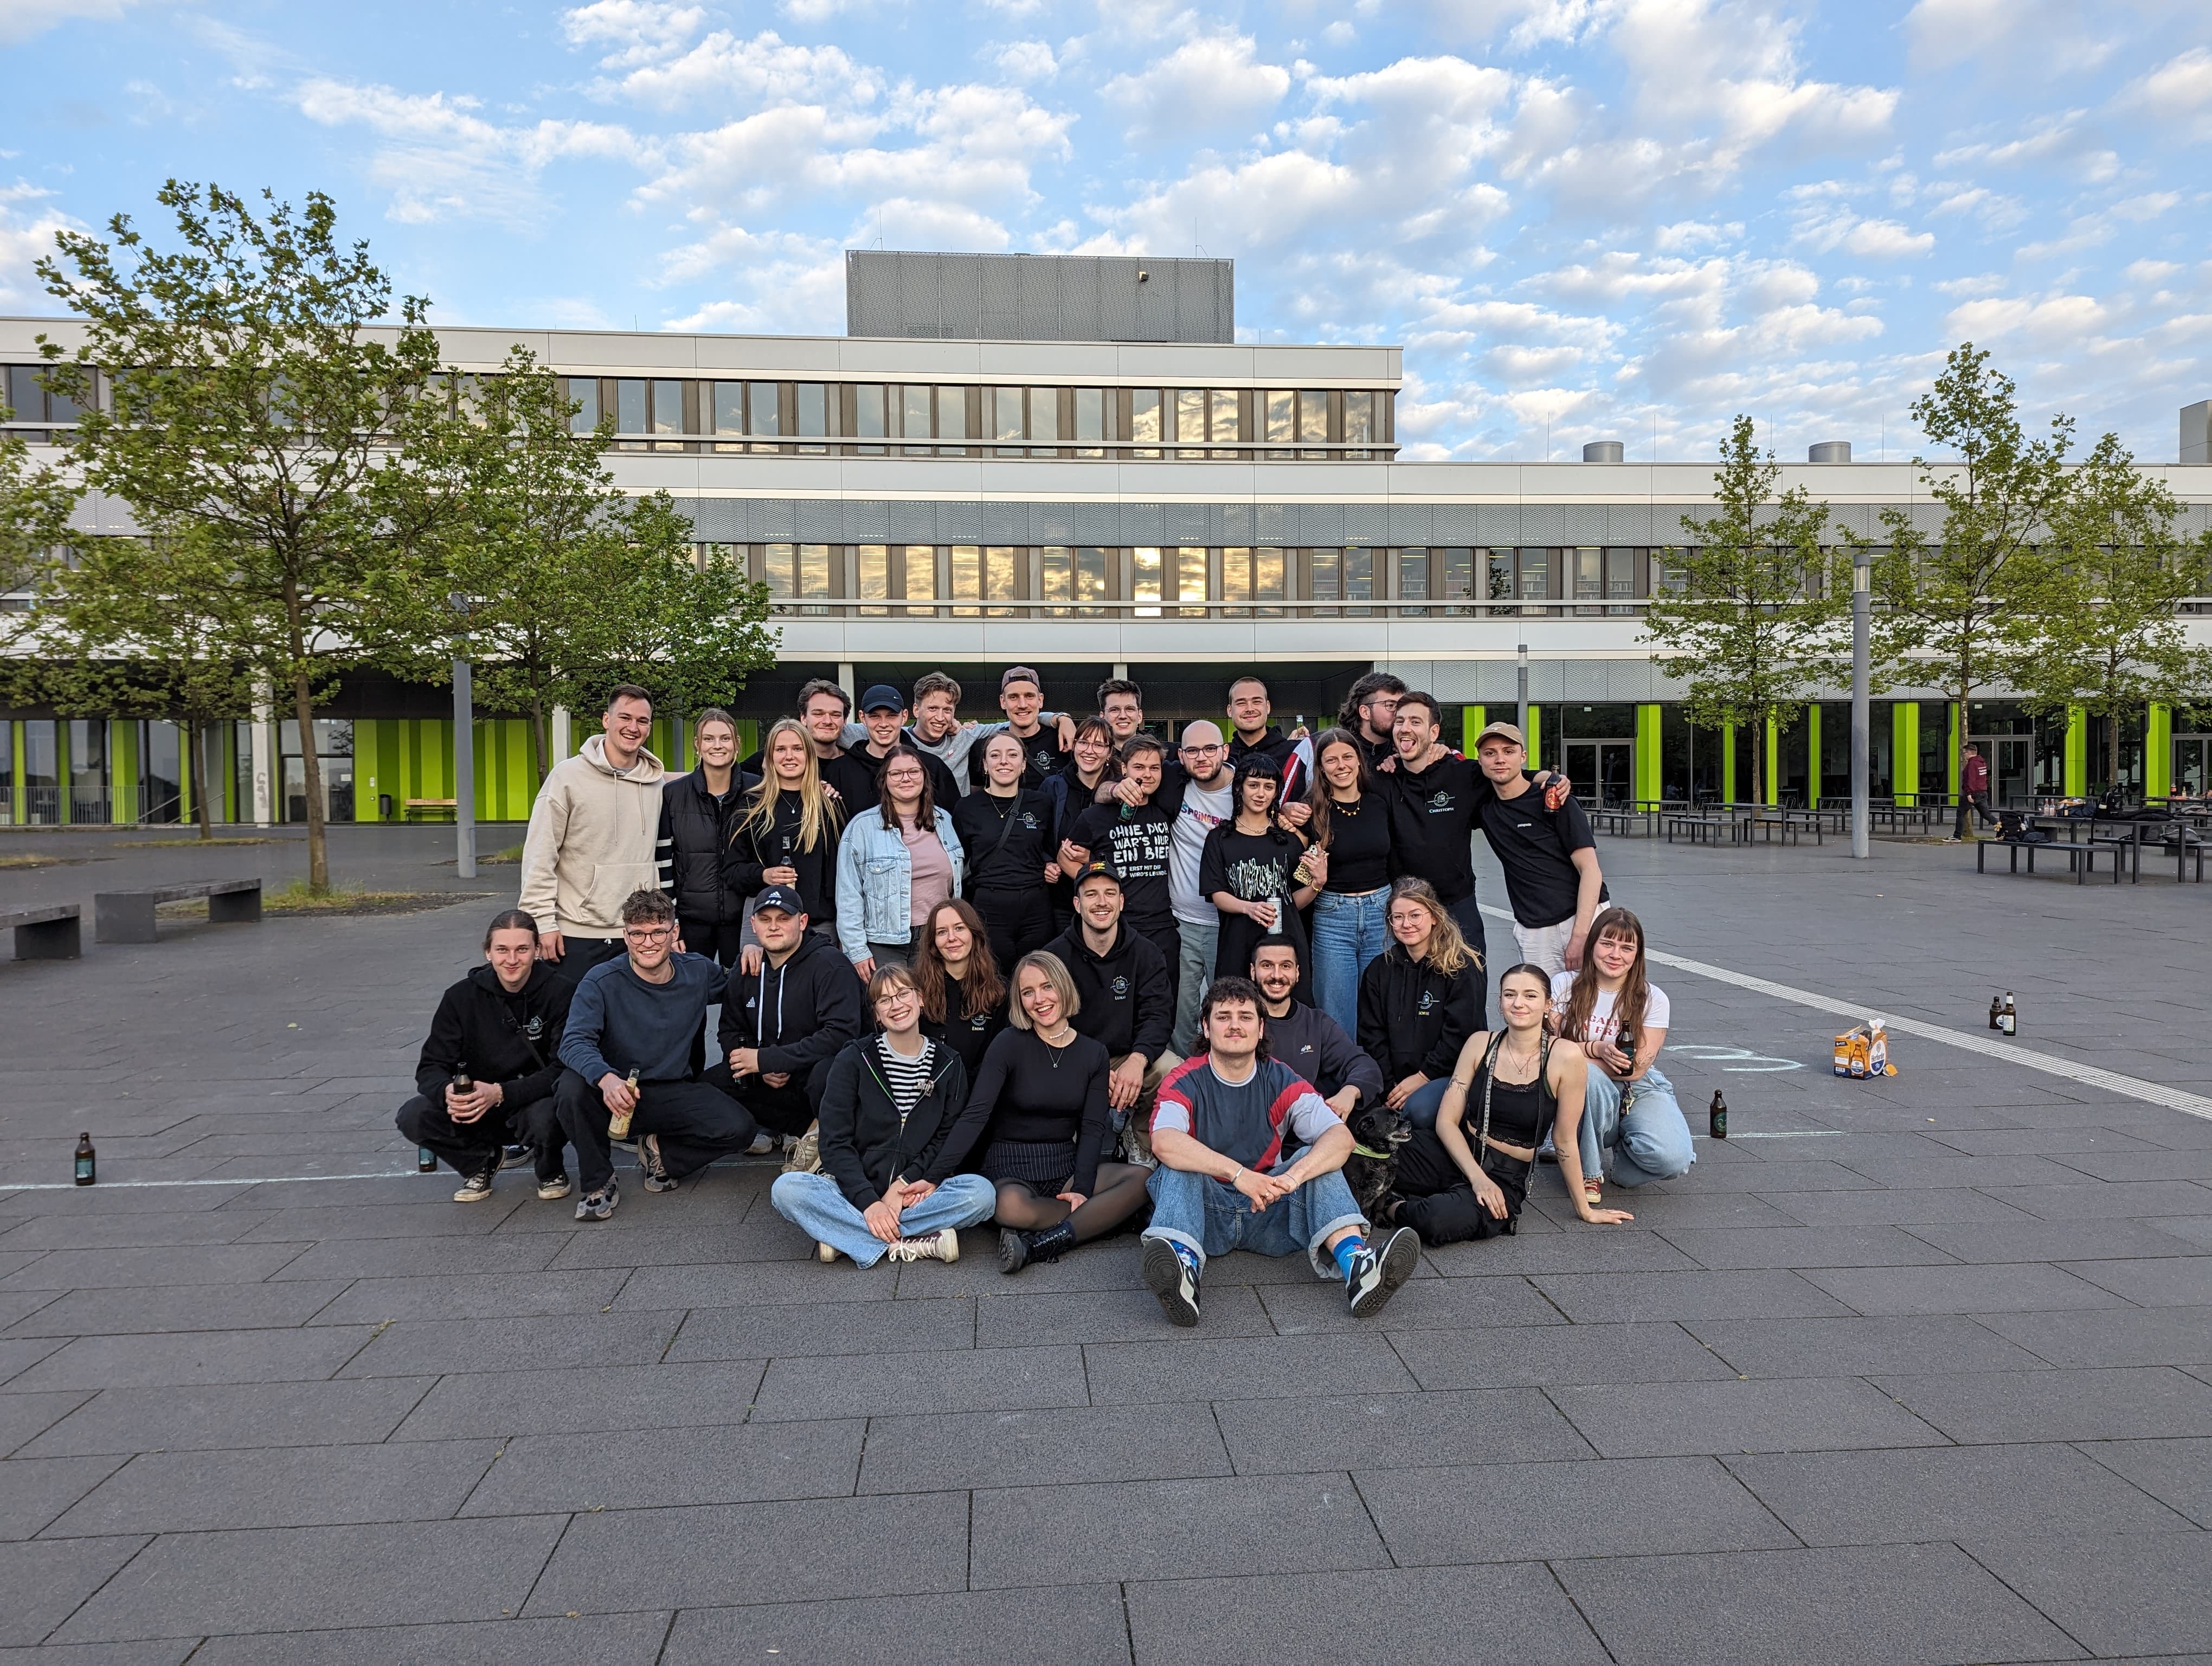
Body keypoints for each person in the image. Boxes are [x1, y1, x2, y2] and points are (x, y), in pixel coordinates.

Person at [1140, 978, 1419, 1327]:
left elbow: (1340, 1138)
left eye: (1245, 1016)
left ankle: (1359, 1268)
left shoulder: (1281, 1079)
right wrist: (1239, 1175)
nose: (1234, 1025)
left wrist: (1291, 1178)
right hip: (1203, 1215)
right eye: (1223, 1016)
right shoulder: (1183, 1079)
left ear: (1261, 1029)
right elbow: (1164, 1140)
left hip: (1269, 1212)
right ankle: (1181, 1271)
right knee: (1177, 1164)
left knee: (1317, 1160)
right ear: (1206, 1028)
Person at [936, 951, 1151, 1274]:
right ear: (1020, 1001)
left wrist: (1081, 1188)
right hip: (1010, 1165)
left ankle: (1043, 1243)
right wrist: (931, 1176)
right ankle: (1102, 1220)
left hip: (1064, 1165)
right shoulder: (1007, 1043)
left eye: (1047, 987)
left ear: (1063, 988)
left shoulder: (1094, 1054)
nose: (1040, 999)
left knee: (1142, 1179)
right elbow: (975, 1115)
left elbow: (1092, 1128)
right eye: (1028, 992)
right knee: (1008, 1208)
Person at [768, 964, 997, 1266]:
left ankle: (845, 1237)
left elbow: (946, 1137)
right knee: (787, 1190)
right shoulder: (854, 1059)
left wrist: (905, 1183)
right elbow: (835, 1142)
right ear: (876, 1014)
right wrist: (869, 1202)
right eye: (884, 1000)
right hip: (853, 1190)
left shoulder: (949, 1065)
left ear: (921, 999)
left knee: (982, 1195)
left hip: (915, 1194)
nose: (896, 1005)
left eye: (903, 993)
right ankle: (917, 1243)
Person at [1385, 963, 1630, 1244]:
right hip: (1458, 1151)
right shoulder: (1480, 1043)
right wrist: (1476, 1177)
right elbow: (1446, 1122)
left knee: (1437, 1220)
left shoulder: (1565, 1056)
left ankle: (1392, 1207)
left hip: (1504, 1173)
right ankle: (1410, 1192)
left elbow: (1564, 1139)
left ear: (1548, 1004)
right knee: (1367, 1153)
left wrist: (1584, 1210)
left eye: (1530, 996)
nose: (1519, 1003)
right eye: (1510, 995)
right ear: (1500, 1002)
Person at [554, 889, 760, 1221]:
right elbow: (573, 1042)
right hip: (615, 1093)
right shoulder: (601, 980)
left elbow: (738, 985)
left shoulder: (697, 972)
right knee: (570, 1088)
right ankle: (598, 1182)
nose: (647, 942)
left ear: (674, 933)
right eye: (637, 934)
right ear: (625, 936)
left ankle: (661, 1152)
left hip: (670, 1089)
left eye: (657, 932)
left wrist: (750, 949)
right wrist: (606, 1079)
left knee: (740, 1128)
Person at [1377, 694, 1571, 1008]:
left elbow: (1509, 774)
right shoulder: (1382, 778)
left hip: (1458, 907)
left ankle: (1472, 1056)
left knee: (1467, 994)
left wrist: (1550, 778)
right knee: (1409, 999)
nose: (1405, 729)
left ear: (1434, 733)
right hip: (1406, 912)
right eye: (1400, 722)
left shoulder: (1463, 774)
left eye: (1416, 722)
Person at [398, 910, 574, 1202]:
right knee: (413, 1116)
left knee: (556, 1106)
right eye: (502, 950)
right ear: (488, 952)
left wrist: (501, 1093)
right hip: (476, 1102)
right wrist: (448, 1093)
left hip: (531, 1099)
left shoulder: (562, 992)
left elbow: (562, 1068)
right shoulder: (460, 997)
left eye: (522, 950)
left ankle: (550, 1168)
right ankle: (479, 1163)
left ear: (536, 951)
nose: (512, 960)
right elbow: (431, 1066)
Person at [519, 684, 667, 996]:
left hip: (637, 934)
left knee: (626, 1034)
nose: (633, 727)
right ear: (605, 720)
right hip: (576, 936)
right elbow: (540, 855)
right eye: (625, 718)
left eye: (642, 721)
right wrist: (541, 923)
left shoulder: (655, 783)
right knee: (574, 1031)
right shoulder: (567, 777)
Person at [713, 885, 868, 1159]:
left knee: (829, 1072)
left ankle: (831, 1144)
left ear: (803, 921)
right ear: (754, 924)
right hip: (774, 1078)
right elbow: (729, 1030)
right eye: (765, 920)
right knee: (711, 1085)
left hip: (815, 1077)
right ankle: (801, 1130)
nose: (774, 927)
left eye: (784, 918)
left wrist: (770, 1059)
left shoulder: (831, 965)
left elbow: (840, 1036)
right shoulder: (747, 966)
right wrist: (759, 1065)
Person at [1549, 907, 1694, 1201]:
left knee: (1673, 1160)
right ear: (1592, 945)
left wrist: (1574, 1054)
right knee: (1585, 1075)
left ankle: (1623, 1153)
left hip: (1637, 1089)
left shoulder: (1653, 997)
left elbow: (1636, 1069)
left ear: (1637, 955)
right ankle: (1588, 1173)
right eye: (1608, 943)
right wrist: (1596, 1048)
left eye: (1627, 948)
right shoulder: (1564, 985)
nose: (1616, 955)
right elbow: (1546, 1051)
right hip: (1579, 1089)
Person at [1040, 860, 1177, 1146]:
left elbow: (1158, 1016)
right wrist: (1093, 1067)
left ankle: (1142, 1145)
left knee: (1170, 1070)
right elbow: (1046, 1025)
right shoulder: (1053, 957)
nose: (1101, 902)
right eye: (1091, 895)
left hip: (1128, 1056)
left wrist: (1138, 1061)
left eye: (1110, 893)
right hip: (1073, 1058)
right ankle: (1067, 1152)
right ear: (1077, 904)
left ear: (1122, 901)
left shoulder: (1146, 953)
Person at [1472, 720, 1607, 976]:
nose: (1500, 759)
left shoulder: (1556, 799)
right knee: (1545, 1010)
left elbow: (1591, 870)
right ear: (1480, 761)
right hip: (1534, 930)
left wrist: (1580, 936)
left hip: (1580, 918)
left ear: (1523, 757)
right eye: (1490, 753)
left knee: (1594, 1006)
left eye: (1508, 752)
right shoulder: (1486, 810)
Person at [1357, 877, 1484, 1130]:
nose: (1407, 925)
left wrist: (1423, 1077)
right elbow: (1371, 1035)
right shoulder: (1379, 970)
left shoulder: (1462, 968)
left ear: (1434, 916)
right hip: (1393, 1081)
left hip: (1445, 1075)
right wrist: (1390, 1086)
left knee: (1419, 1112)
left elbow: (1460, 1035)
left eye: (1415, 915)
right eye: (1398, 917)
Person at [1062, 732, 1179, 998]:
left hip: (1163, 927)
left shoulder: (1166, 809)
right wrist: (1094, 882)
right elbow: (1065, 857)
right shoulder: (1096, 816)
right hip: (1118, 926)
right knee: (1117, 1000)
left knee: (1162, 1001)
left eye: (1154, 768)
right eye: (1139, 767)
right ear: (1124, 768)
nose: (1147, 775)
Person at [835, 749, 964, 977]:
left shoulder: (946, 821)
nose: (906, 778)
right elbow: (849, 895)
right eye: (896, 773)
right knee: (890, 1007)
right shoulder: (862, 828)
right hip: (882, 943)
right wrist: (856, 950)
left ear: (925, 777)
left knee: (931, 1008)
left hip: (936, 938)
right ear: (884, 781)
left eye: (914, 771)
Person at [1201, 754, 1317, 1003]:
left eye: (1269, 787)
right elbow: (1216, 893)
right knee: (1235, 1008)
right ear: (1239, 788)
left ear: (1276, 793)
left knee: (1289, 1012)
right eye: (1253, 785)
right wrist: (1249, 908)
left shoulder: (1289, 839)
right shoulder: (1219, 838)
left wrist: (1317, 884)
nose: (1260, 793)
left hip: (1286, 943)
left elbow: (1292, 902)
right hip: (1238, 942)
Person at [1303, 726, 1394, 1039]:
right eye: (1331, 760)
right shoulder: (1311, 811)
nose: (1340, 765)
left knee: (1380, 1007)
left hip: (1382, 912)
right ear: (1321, 768)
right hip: (1333, 916)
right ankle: (1345, 1082)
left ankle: (1378, 1081)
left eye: (1347, 757)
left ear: (1359, 761)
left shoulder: (1380, 802)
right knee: (1337, 1014)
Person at [1159, 719, 1238, 1056]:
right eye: (1192, 750)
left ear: (1225, 751)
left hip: (1232, 923)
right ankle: (1181, 1083)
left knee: (1228, 1007)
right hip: (1183, 922)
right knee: (1182, 1011)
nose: (1202, 757)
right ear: (1181, 756)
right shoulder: (1172, 786)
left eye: (1210, 749)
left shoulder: (1246, 788)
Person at [726, 716, 845, 934]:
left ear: (809, 755)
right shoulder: (751, 805)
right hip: (765, 923)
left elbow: (843, 876)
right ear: (770, 756)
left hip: (819, 926)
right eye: (781, 749)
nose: (789, 756)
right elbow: (732, 871)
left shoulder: (829, 805)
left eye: (797, 749)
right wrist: (763, 875)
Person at [953, 731, 1057, 970]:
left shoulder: (1041, 804)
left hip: (1036, 906)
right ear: (985, 765)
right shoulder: (966, 808)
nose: (1003, 761)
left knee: (1037, 975)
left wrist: (1050, 863)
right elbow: (960, 858)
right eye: (995, 755)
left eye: (1012, 755)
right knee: (994, 980)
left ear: (1023, 765)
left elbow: (1048, 848)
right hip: (989, 906)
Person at [1251, 939, 1382, 1120]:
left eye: (1286, 966)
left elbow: (1364, 1065)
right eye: (1267, 965)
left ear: (1297, 973)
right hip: (1256, 1127)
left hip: (1307, 1127)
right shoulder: (1240, 1022)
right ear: (1253, 971)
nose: (1277, 975)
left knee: (1368, 1106)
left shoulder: (1316, 1022)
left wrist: (1349, 1092)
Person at [912, 897, 1009, 1079]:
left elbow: (1000, 1060)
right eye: (942, 932)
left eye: (959, 928)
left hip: (982, 1095)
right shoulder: (917, 992)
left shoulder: (999, 992)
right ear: (933, 942)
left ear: (974, 933)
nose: (951, 938)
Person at [833, 684, 963, 813]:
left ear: (904, 717)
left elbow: (953, 821)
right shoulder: (840, 770)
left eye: (891, 716)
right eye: (875, 716)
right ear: (862, 718)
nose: (883, 724)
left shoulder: (932, 767)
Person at [966, 665, 1070, 789]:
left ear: (1040, 700)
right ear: (1003, 702)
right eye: (1013, 697)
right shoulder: (985, 747)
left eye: (1029, 696)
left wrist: (1065, 720)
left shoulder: (1063, 740)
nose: (1022, 705)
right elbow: (976, 797)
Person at [1225, 674, 1314, 811]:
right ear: (1230, 710)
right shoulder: (1221, 758)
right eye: (1241, 703)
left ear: (1268, 707)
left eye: (1256, 702)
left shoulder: (1295, 754)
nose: (1249, 708)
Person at [1337, 670, 1407, 771]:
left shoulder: (1405, 753)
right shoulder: (1333, 747)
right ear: (1365, 712)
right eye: (1390, 706)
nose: (1398, 713)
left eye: (1401, 706)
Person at [1957, 742, 1997, 839]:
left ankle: (1957, 836)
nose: (1964, 755)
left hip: (1973, 793)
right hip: (1983, 792)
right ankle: (2003, 829)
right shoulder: (1982, 763)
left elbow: (1971, 779)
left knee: (1960, 813)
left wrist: (1969, 793)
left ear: (1969, 753)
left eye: (1964, 753)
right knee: (1986, 814)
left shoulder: (1972, 764)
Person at [1096, 677, 1146, 744]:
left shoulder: (1160, 753)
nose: (1123, 716)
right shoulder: (1087, 752)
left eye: (1130, 709)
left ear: (1140, 716)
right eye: (1114, 710)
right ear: (1102, 717)